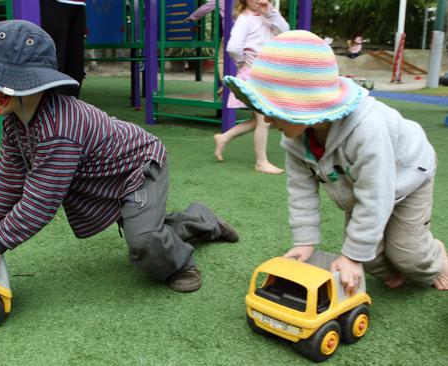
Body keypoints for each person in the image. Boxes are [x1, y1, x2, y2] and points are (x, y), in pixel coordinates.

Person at [0, 20, 240, 293]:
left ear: (26, 82)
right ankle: (200, 219)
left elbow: (41, 200)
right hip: (105, 176)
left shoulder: (59, 128)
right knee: (146, 227)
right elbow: (9, 179)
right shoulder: (15, 121)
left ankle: (181, 264)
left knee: (143, 240)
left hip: (138, 169)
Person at [224, 30, 448, 293]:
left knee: (407, 255)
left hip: (409, 177)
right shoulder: (294, 140)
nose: (268, 121)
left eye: (273, 112)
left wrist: (352, 257)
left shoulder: (367, 129)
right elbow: (300, 191)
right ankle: (396, 267)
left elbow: (377, 194)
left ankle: (437, 258)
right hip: (360, 185)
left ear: (303, 107)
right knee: (371, 258)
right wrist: (305, 241)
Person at [213, 0, 288, 174]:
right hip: (254, 76)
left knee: (262, 119)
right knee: (264, 120)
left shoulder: (267, 16)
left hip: (265, 75)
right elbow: (232, 47)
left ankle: (224, 137)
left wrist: (271, 13)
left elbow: (286, 32)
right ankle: (261, 162)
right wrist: (242, 63)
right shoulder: (245, 18)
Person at [40, 0, 85, 98]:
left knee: (75, 66)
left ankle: (69, 109)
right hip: (53, 4)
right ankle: (49, 109)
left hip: (79, 3)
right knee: (53, 61)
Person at [183, 0, 226, 94]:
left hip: (229, 34)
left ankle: (225, 86)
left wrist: (192, 17)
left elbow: (206, 8)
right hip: (248, 34)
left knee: (221, 60)